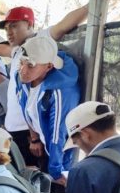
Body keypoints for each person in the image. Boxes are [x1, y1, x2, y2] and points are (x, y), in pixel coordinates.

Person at [0, 3, 90, 168]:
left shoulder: (41, 40)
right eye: (6, 28)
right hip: (13, 129)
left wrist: (92, 6)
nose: (9, 32)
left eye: (14, 25)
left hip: (28, 132)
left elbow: (64, 25)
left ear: (29, 25)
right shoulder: (18, 50)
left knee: (33, 178)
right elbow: (3, 50)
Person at [17, 35, 79, 183]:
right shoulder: (22, 79)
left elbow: (58, 134)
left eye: (30, 65)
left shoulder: (60, 92)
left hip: (60, 157)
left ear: (49, 66)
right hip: (44, 145)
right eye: (21, 63)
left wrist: (56, 172)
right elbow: (26, 109)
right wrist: (35, 138)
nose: (22, 70)